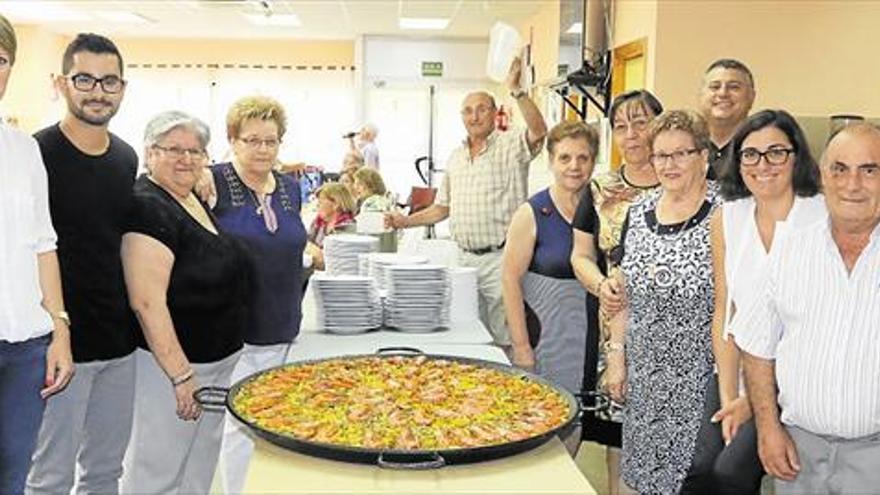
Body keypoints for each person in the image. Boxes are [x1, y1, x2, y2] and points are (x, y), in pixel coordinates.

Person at [735, 123, 880, 494]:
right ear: (822, 177)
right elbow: (756, 348)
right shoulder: (789, 252)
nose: (852, 185)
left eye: (870, 170)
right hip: (798, 453)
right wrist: (768, 429)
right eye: (840, 169)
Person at [27, 33, 138, 495]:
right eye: (85, 79)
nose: (97, 91)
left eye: (109, 81)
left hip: (119, 344)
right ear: (61, 83)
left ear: (123, 89)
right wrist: (56, 331)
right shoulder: (34, 154)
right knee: (50, 477)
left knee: (106, 473)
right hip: (58, 347)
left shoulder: (126, 158)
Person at [120, 111, 247, 494]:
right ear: (149, 153)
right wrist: (181, 375)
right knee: (156, 472)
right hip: (172, 369)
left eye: (195, 151)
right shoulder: (147, 205)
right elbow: (146, 302)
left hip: (215, 364)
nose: (186, 159)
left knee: (198, 469)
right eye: (174, 149)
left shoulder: (190, 198)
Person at [386, 56, 547, 348]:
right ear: (462, 117)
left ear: (495, 113)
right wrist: (404, 221)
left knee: (505, 335)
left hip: (501, 259)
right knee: (468, 335)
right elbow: (441, 208)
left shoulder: (511, 145)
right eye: (468, 111)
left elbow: (539, 131)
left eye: (481, 109)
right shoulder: (456, 158)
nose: (474, 116)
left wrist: (517, 91)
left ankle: (508, 389)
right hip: (461, 259)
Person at [702, 109, 823, 494]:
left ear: (796, 156)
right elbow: (726, 309)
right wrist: (728, 396)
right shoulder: (728, 218)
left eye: (775, 152)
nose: (762, 164)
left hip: (804, 379)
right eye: (750, 154)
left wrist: (753, 404)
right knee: (699, 466)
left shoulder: (822, 215)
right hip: (741, 372)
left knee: (731, 471)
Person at [605, 110, 721, 493]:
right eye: (660, 155)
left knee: (695, 480)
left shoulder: (726, 214)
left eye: (680, 154)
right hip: (643, 380)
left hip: (702, 381)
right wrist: (617, 360)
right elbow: (623, 292)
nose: (668, 165)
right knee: (640, 480)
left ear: (703, 155)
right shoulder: (638, 212)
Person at [209, 96, 307, 495]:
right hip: (236, 331)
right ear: (233, 139)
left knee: (282, 425)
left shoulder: (290, 188)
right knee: (239, 427)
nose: (263, 149)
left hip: (284, 323)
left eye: (271, 141)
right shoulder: (211, 182)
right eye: (252, 140)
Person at [570, 89, 663, 495]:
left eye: (640, 123)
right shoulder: (598, 190)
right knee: (619, 441)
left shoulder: (687, 184)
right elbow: (581, 255)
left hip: (673, 332)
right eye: (621, 126)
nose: (631, 134)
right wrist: (599, 284)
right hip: (614, 334)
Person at [0, 16, 74, 494]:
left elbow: (44, 245)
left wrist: (60, 331)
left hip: (26, 347)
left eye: (1, 60)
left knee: (14, 473)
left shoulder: (23, 150)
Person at [502, 120, 598, 393]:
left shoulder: (604, 209)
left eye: (583, 158)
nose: (574, 166)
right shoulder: (531, 213)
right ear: (551, 161)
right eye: (564, 158)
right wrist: (521, 347)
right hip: (547, 343)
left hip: (593, 346)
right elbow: (510, 280)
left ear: (593, 162)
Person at [698, 58, 755, 179]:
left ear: (751, 96)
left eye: (734, 87)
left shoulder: (763, 149)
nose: (723, 93)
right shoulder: (686, 146)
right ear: (701, 95)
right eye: (715, 87)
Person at [306, 182, 357, 269]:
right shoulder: (318, 223)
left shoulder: (348, 227)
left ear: (336, 204)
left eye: (321, 201)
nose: (318, 205)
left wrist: (310, 248)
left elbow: (329, 260)